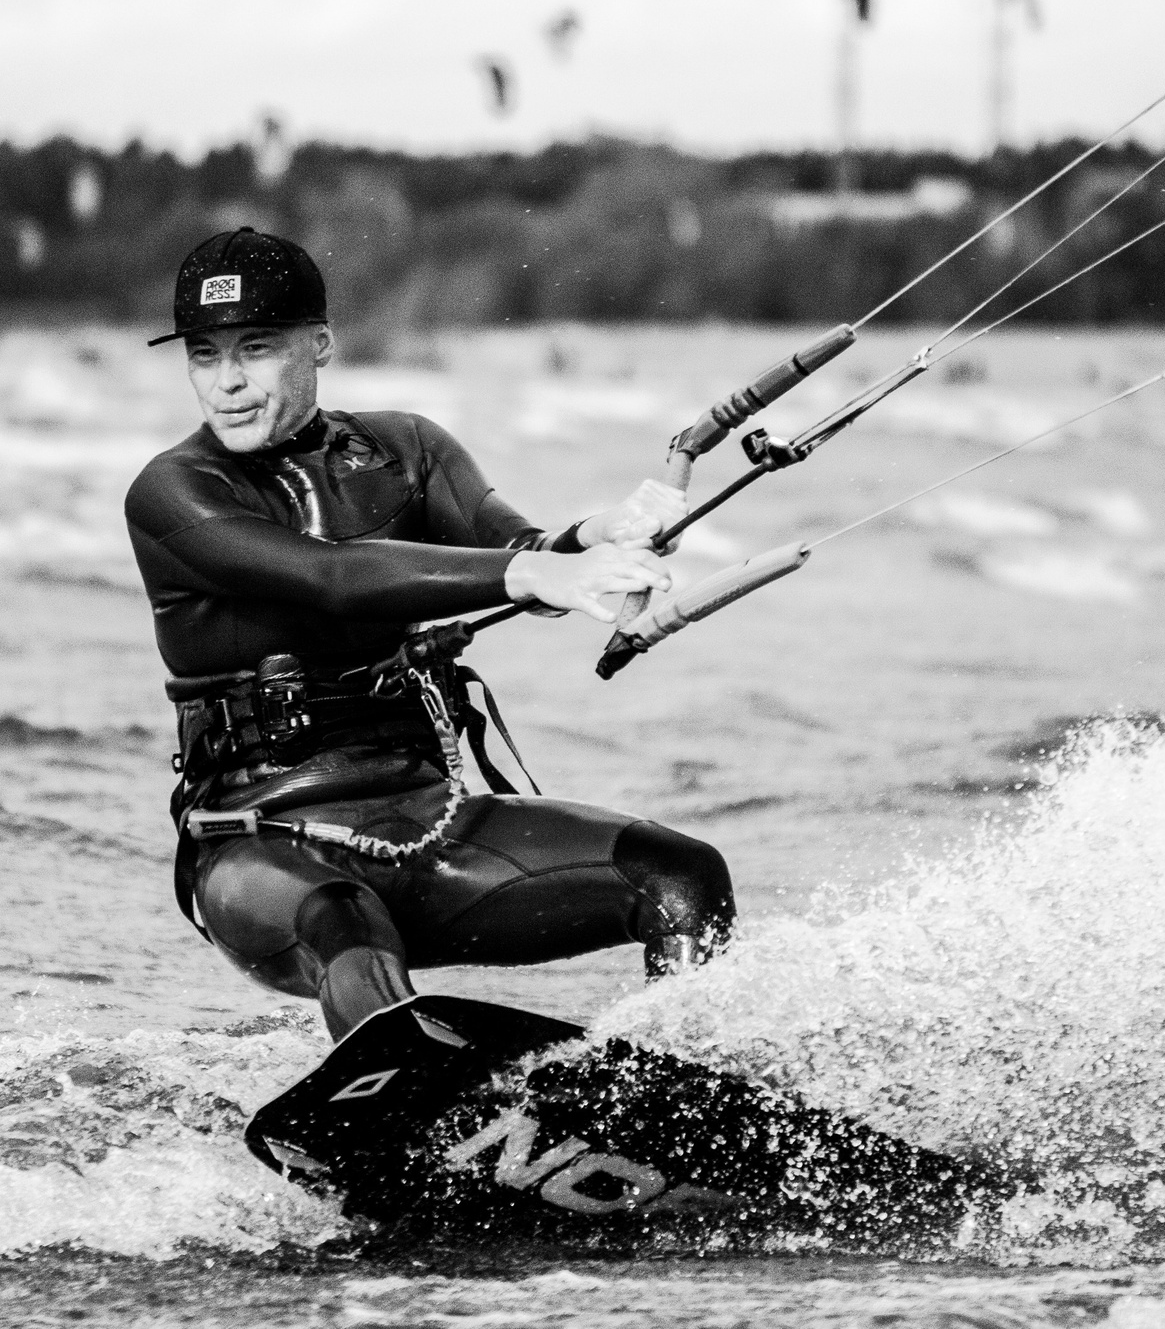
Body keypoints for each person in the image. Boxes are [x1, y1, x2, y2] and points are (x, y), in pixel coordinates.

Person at [126, 227, 736, 1040]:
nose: (228, 382)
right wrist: (534, 574)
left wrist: (600, 535)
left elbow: (519, 551)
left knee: (682, 877)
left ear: (320, 342)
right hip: (261, 847)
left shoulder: (405, 449)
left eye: (257, 348)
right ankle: (405, 1115)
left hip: (430, 826)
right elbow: (330, 575)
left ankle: (694, 1103)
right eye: (205, 355)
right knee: (349, 929)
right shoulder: (172, 492)